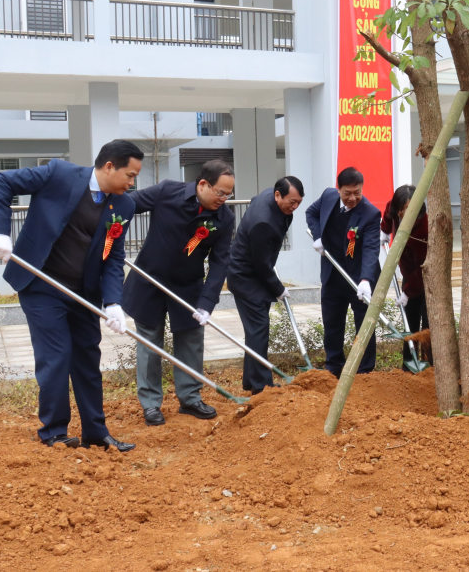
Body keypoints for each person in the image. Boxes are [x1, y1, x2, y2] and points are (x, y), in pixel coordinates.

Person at [0, 140, 143, 451]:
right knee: (57, 356)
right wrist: (0, 231)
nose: (133, 182)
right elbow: (2, 181)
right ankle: (54, 433)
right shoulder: (59, 174)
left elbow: (113, 257)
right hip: (41, 286)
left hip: (83, 293)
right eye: (130, 174)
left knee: (87, 358)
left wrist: (113, 302)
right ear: (109, 166)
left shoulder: (124, 206)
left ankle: (95, 433)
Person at [123, 160, 235, 426]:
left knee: (191, 340)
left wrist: (207, 303)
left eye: (228, 194)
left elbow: (220, 263)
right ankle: (150, 404)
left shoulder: (224, 218)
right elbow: (128, 205)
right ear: (203, 184)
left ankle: (190, 398)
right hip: (150, 280)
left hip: (188, 286)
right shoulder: (167, 192)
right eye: (220, 192)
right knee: (149, 343)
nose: (224, 199)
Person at [227, 176, 303, 394]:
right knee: (259, 331)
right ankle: (262, 387)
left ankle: (251, 381)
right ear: (278, 195)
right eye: (292, 202)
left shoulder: (268, 195)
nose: (295, 206)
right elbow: (261, 264)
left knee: (255, 333)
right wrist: (279, 289)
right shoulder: (263, 222)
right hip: (246, 278)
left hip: (253, 274)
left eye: (299, 202)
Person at [306, 167, 382, 377]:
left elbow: (371, 248)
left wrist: (366, 279)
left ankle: (365, 369)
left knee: (364, 324)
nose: (352, 198)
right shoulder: (328, 196)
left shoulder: (370, 213)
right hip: (333, 273)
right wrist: (318, 237)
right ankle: (333, 365)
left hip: (359, 277)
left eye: (357, 192)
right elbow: (311, 213)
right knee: (332, 322)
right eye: (347, 193)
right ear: (338, 189)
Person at [380, 184, 431, 371]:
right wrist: (385, 230)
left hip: (426, 279)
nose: (404, 214)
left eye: (409, 209)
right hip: (408, 273)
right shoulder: (395, 210)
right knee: (409, 321)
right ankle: (408, 367)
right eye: (401, 209)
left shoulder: (423, 227)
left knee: (427, 326)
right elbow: (388, 210)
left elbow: (423, 267)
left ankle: (428, 367)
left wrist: (407, 292)